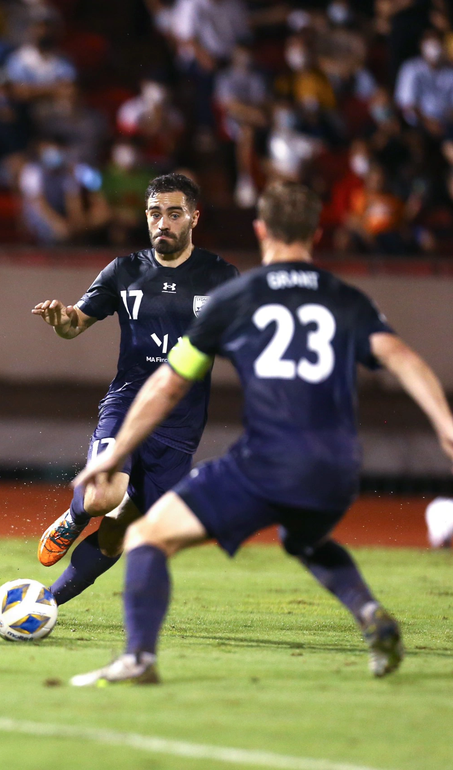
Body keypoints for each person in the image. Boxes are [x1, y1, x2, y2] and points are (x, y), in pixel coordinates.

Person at [69, 182, 453, 686]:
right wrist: (446, 427)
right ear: (316, 232)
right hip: (338, 468)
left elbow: (167, 383)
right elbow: (400, 357)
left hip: (266, 463)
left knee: (145, 537)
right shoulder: (346, 297)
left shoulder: (237, 297)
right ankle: (369, 612)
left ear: (261, 230)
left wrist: (114, 452)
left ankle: (139, 658)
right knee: (305, 538)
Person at [32, 174, 238, 610]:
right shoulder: (124, 270)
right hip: (128, 402)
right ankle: (73, 517)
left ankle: (44, 605)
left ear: (193, 218)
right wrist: (60, 320)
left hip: (180, 424)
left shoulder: (221, 276)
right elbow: (74, 325)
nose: (163, 222)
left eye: (174, 213)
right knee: (101, 499)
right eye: (154, 213)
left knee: (117, 533)